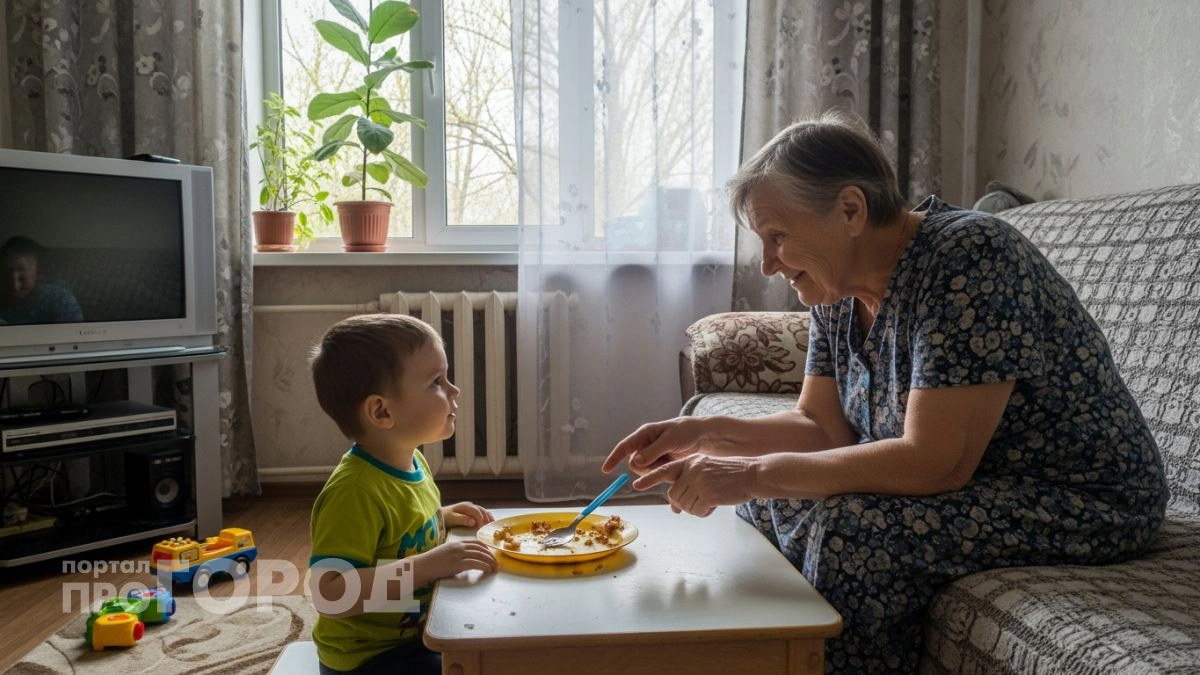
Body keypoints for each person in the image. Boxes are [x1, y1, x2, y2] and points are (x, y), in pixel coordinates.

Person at [602, 110, 1169, 673]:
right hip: (985, 483)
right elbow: (820, 428)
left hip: (1081, 496)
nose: (769, 263)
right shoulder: (834, 287)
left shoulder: (970, 256)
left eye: (778, 237)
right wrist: (703, 434)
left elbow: (934, 464)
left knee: (848, 531)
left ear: (850, 209)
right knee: (775, 498)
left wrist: (749, 472)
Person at [307, 313, 498, 675]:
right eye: (437, 382)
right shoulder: (354, 492)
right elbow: (330, 593)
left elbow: (397, 531)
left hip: (413, 636)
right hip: (370, 659)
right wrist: (430, 565)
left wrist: (442, 515)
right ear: (381, 411)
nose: (454, 391)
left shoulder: (412, 463)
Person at [0, 235, 83, 324]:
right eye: (7, 279)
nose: (15, 287)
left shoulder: (57, 298)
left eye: (22, 279)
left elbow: (74, 332)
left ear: (36, 272)